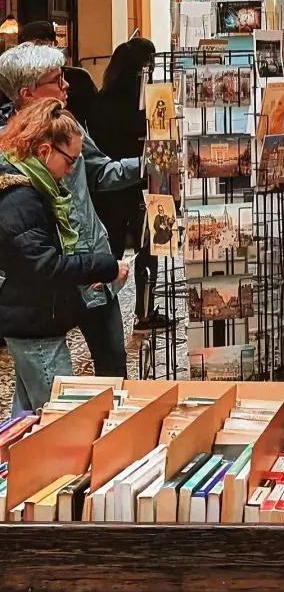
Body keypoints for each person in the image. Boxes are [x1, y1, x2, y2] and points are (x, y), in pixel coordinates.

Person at [0, 44, 140, 376]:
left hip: (92, 267)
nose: (67, 86)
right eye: (57, 79)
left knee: (111, 365)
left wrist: (149, 164)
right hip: (49, 283)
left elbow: (102, 172)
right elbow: (22, 234)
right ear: (28, 92)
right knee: (45, 378)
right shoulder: (8, 148)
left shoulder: (66, 125)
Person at [0, 100, 125, 412]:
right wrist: (104, 266)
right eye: (70, 161)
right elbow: (45, 267)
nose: (71, 170)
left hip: (32, 319)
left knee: (27, 416)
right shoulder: (21, 200)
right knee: (58, 418)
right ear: (44, 152)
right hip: (35, 324)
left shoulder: (31, 189)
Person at [87, 38, 165, 332]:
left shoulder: (99, 102)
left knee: (111, 252)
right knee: (147, 250)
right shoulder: (142, 104)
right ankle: (144, 313)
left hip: (106, 188)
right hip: (138, 184)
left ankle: (103, 312)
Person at [17, 20, 98, 126]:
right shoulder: (14, 81)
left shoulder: (79, 78)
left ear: (54, 44)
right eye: (30, 47)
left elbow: (97, 118)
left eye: (42, 44)